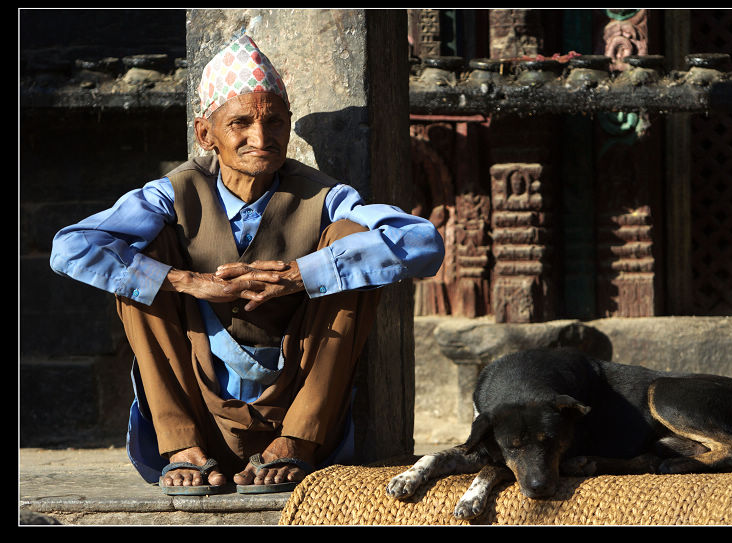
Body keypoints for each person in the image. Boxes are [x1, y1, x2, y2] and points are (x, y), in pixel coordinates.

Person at [50, 33, 444, 495]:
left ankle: (297, 440)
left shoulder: (325, 196)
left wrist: (305, 274)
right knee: (136, 259)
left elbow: (422, 243)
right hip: (197, 393)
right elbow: (70, 247)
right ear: (206, 134)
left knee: (355, 244)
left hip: (298, 397)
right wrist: (186, 281)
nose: (261, 138)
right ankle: (181, 446)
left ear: (288, 126)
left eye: (275, 122)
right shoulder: (173, 193)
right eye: (240, 123)